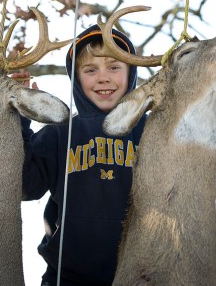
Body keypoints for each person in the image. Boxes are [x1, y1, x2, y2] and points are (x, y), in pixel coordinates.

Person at [19, 25, 146, 286]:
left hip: (145, 276)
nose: (103, 78)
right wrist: (17, 119)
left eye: (114, 67)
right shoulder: (59, 132)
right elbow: (23, 185)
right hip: (66, 279)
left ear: (131, 72)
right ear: (76, 79)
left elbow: (199, 179)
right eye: (90, 70)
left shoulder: (153, 130)